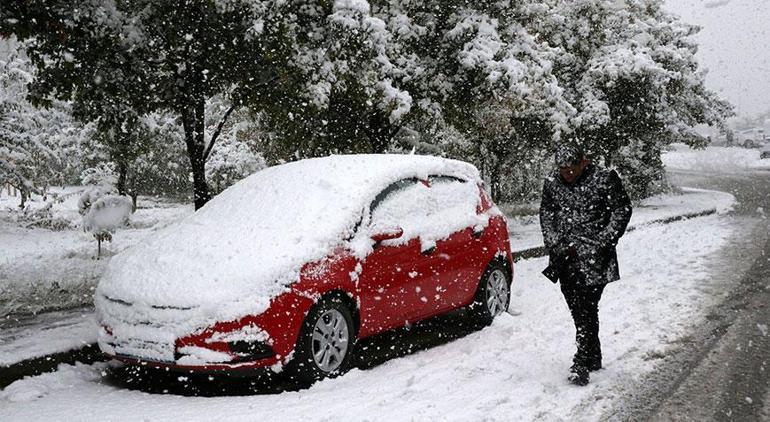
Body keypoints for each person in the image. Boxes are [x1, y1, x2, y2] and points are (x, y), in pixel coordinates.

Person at [539, 144, 632, 386]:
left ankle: (581, 360)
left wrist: (605, 240)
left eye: (572, 169)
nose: (567, 174)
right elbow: (547, 213)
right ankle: (594, 354)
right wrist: (553, 241)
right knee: (577, 306)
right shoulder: (552, 183)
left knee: (586, 305)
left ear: (584, 162)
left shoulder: (605, 179)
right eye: (563, 170)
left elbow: (622, 209)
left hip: (595, 257)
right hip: (564, 256)